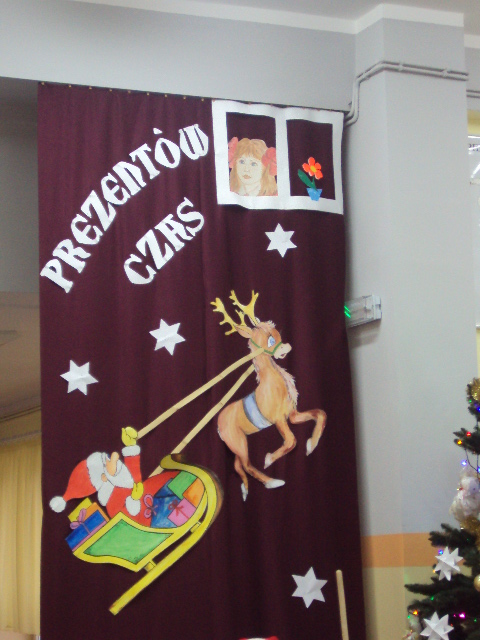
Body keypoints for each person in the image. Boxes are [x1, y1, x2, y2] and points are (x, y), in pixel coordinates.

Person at [49, 427, 177, 525]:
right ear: (103, 478)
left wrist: (130, 445)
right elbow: (128, 520)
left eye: (107, 457)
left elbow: (133, 471)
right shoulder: (112, 502)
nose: (114, 456)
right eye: (107, 462)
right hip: (152, 517)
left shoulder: (123, 479)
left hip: (155, 492)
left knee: (172, 481)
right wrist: (133, 499)